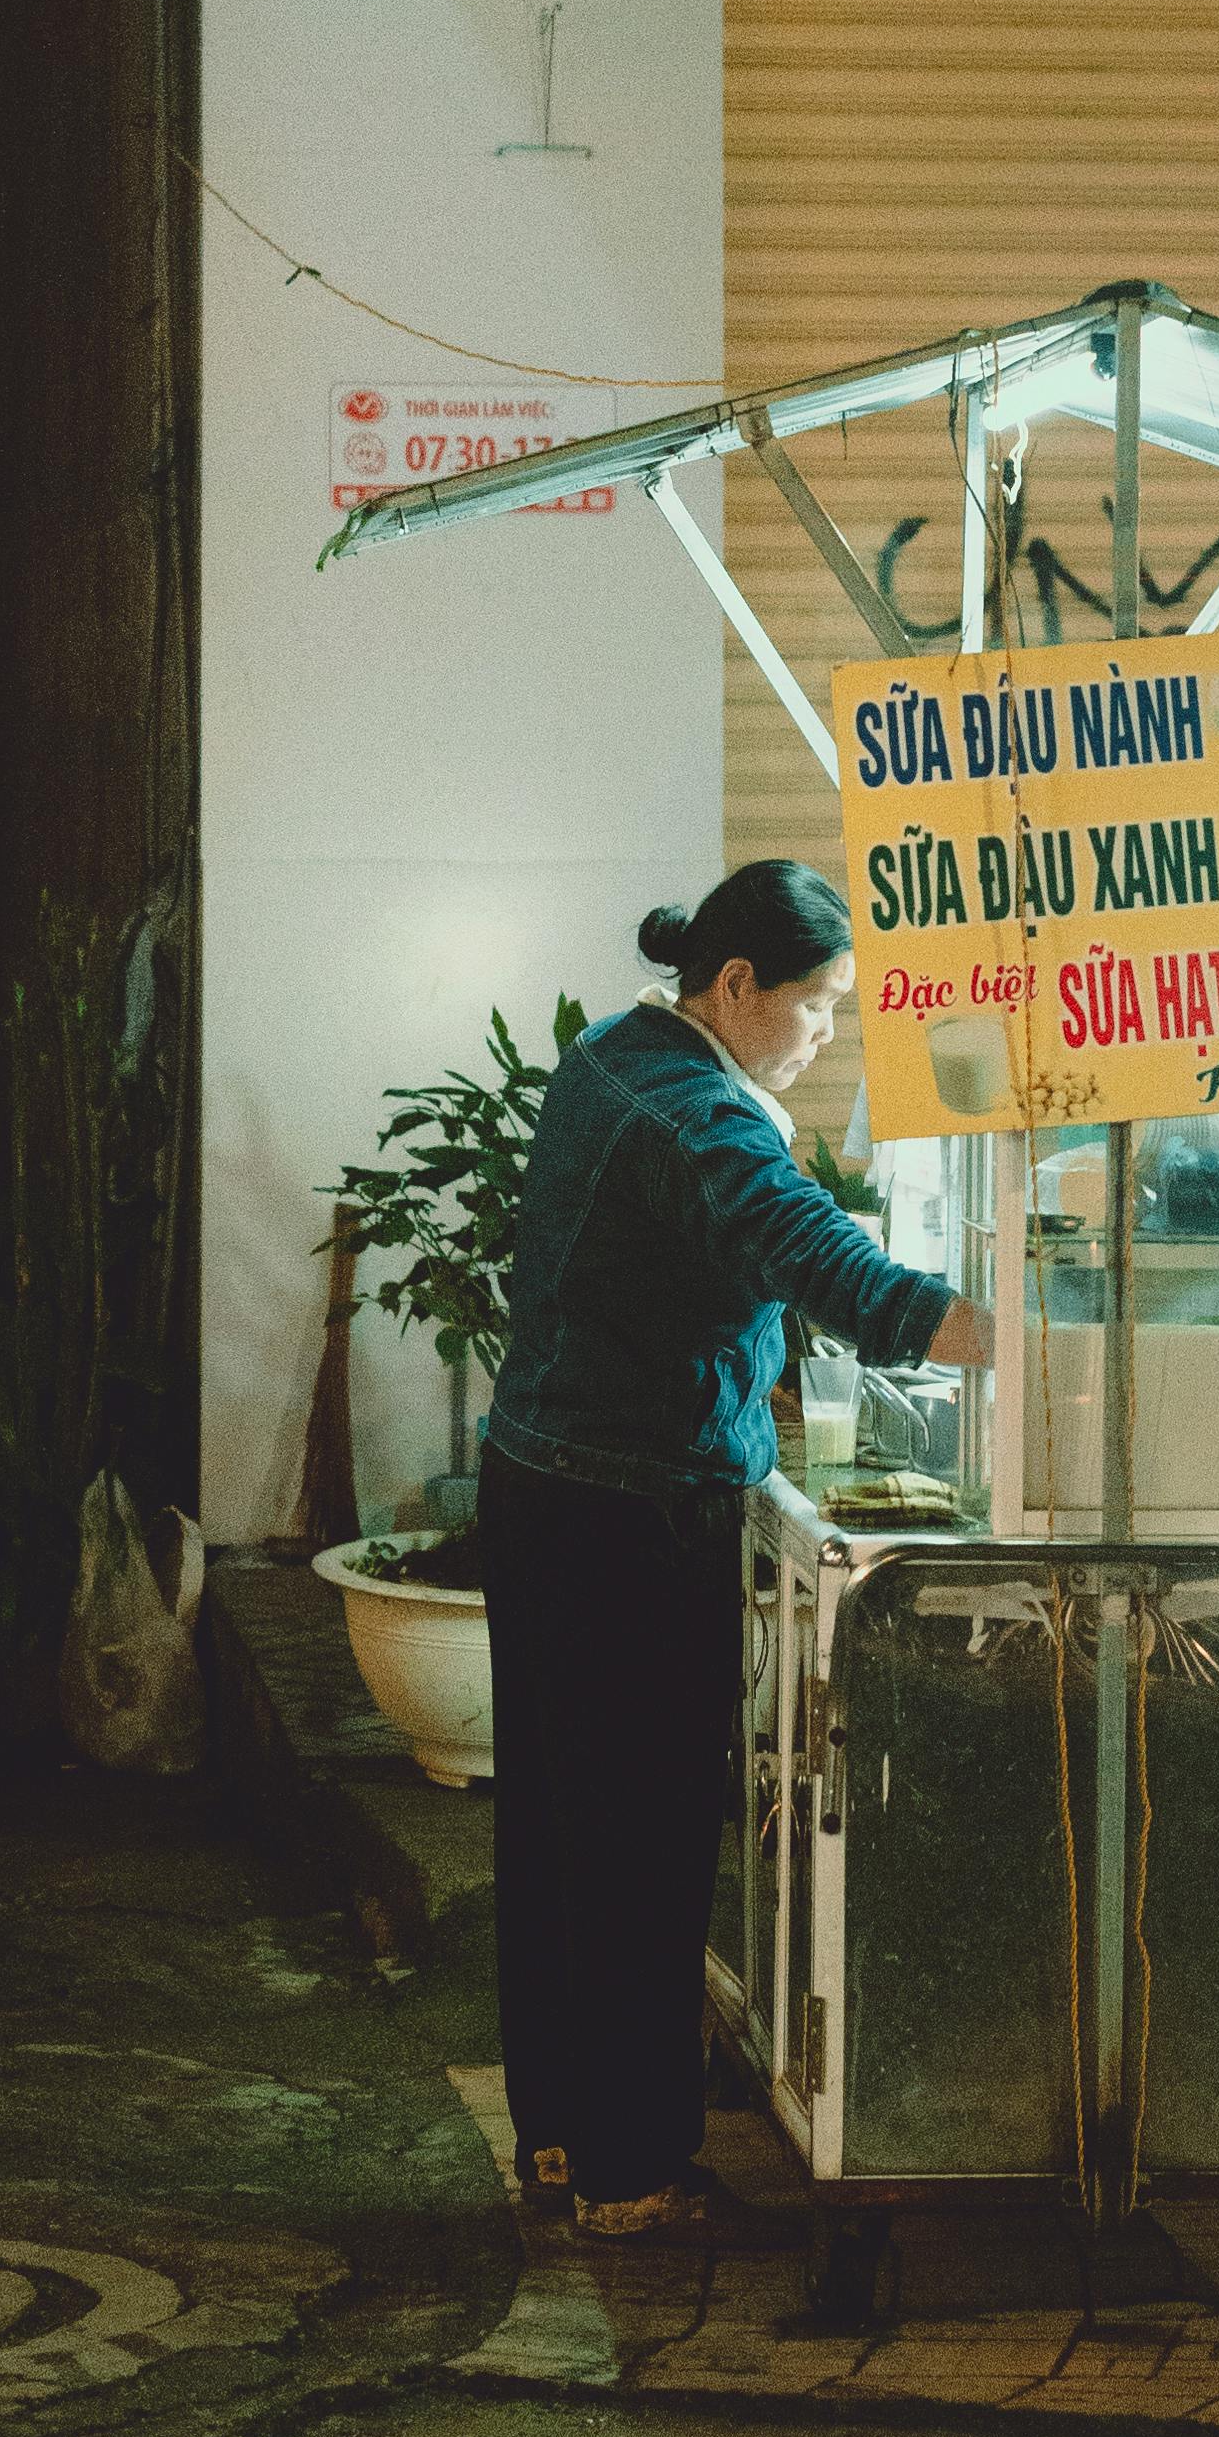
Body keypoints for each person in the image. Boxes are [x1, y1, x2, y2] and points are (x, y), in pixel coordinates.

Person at [479, 863, 996, 2230]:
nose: (827, 1037)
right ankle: (634, 2175)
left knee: (556, 1833)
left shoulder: (620, 1051)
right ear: (736, 988)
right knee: (642, 1845)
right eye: (817, 1007)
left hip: (544, 1479)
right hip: (628, 1514)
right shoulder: (695, 1112)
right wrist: (1010, 1339)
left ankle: (560, 2142)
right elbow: (813, 1256)